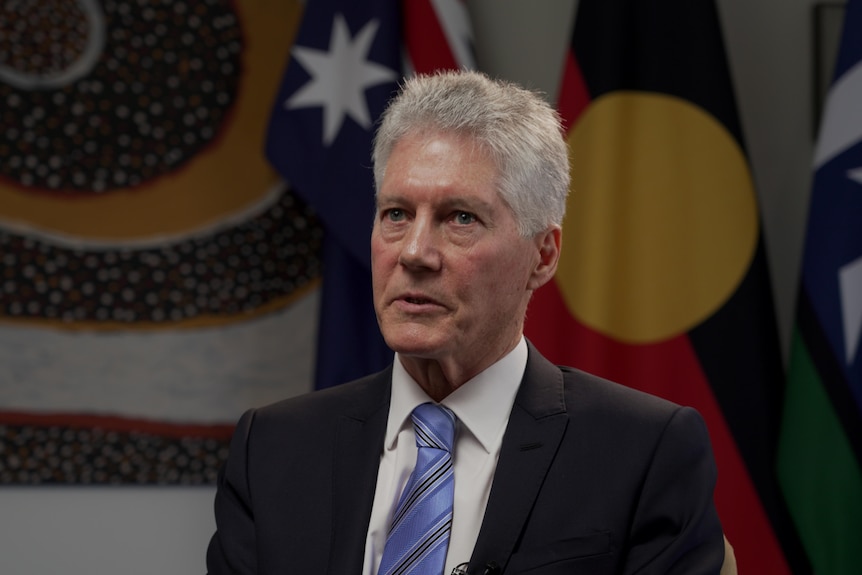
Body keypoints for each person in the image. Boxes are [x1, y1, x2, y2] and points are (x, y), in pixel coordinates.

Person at [206, 70, 728, 574]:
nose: (414, 253)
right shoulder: (273, 450)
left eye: (460, 218)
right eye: (396, 214)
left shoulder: (643, 452)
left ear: (543, 255)